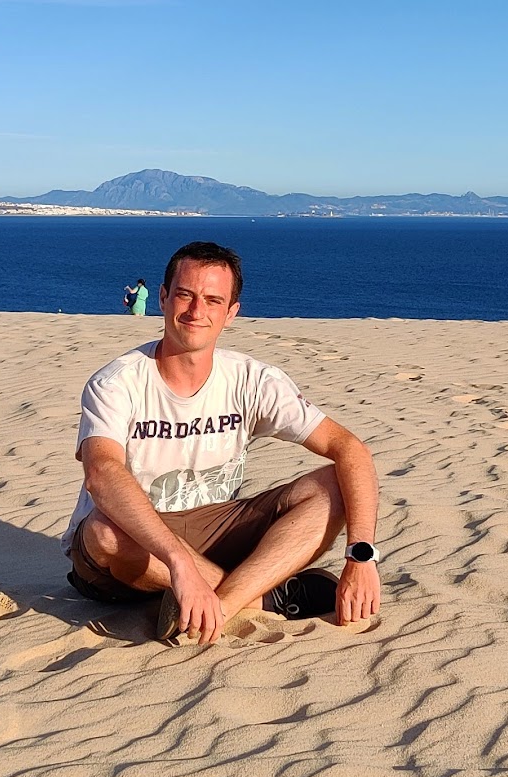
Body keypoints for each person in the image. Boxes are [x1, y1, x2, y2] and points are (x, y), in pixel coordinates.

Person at [64, 240, 381, 643]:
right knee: (104, 532)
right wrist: (178, 562)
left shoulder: (253, 380)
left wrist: (361, 556)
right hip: (131, 547)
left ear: (231, 313)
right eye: (185, 295)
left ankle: (224, 605)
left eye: (213, 300)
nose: (196, 311)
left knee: (335, 484)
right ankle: (267, 598)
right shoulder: (117, 382)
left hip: (215, 529)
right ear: (162, 298)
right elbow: (102, 473)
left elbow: (350, 448)